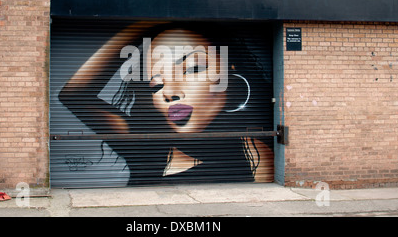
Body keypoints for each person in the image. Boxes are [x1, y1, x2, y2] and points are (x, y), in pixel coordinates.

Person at [58, 21, 273, 186]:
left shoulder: (252, 153)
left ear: (229, 72)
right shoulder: (144, 144)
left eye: (193, 68)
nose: (169, 93)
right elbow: (74, 94)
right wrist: (143, 26)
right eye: (156, 85)